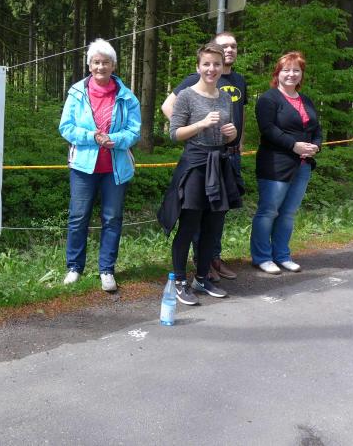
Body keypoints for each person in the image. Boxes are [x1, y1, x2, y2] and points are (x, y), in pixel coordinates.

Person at [157, 43, 243, 305]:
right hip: (195, 165)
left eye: (216, 64)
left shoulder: (225, 97)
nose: (211, 69)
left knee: (213, 226)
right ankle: (180, 281)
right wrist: (201, 124)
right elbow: (175, 133)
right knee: (190, 225)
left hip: (219, 164)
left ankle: (202, 278)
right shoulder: (186, 96)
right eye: (206, 64)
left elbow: (229, 135)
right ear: (198, 67)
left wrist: (232, 134)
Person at [59, 39, 141, 292]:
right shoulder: (76, 93)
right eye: (96, 62)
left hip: (115, 170)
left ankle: (107, 269)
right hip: (83, 168)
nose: (100, 67)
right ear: (89, 65)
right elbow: (66, 127)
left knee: (112, 219)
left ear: (113, 65)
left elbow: (134, 131)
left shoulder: (127, 96)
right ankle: (74, 267)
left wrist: (114, 140)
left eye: (105, 62)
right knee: (78, 218)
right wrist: (92, 137)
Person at [250, 51, 322, 274]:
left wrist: (316, 146)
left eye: (296, 70)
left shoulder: (306, 100)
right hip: (275, 164)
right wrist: (294, 145)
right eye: (286, 70)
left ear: (302, 74)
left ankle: (282, 255)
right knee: (269, 211)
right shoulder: (268, 99)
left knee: (288, 213)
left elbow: (316, 129)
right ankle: (262, 257)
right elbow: (268, 129)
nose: (291, 74)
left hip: (303, 165)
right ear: (277, 73)